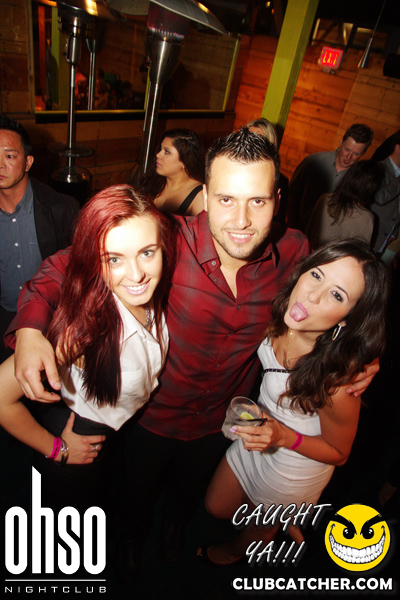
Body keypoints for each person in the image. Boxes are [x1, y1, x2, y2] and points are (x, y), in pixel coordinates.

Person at [4, 129, 377, 580]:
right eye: (226, 199)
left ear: (277, 200)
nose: (241, 220)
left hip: (219, 419)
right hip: (153, 416)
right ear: (205, 195)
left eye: (257, 201)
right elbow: (63, 266)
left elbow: (340, 297)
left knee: (188, 493)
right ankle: (130, 539)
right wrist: (30, 329)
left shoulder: (295, 251)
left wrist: (360, 356)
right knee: (135, 492)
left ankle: (175, 527)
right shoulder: (168, 239)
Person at [200, 239, 389, 565]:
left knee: (257, 529)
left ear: (348, 318)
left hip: (291, 469)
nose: (311, 296)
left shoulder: (338, 381)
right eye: (316, 275)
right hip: (258, 435)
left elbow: (340, 453)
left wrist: (284, 436)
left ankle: (234, 552)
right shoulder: (280, 310)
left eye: (337, 295)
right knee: (216, 506)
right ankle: (286, 518)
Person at [0, 184, 175, 515]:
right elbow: (1, 397)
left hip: (116, 430)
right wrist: (58, 450)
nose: (137, 274)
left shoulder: (151, 293)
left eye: (147, 253)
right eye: (114, 259)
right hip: (79, 433)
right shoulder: (83, 328)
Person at [0, 114, 79, 362]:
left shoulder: (62, 208)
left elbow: (80, 270)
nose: (0, 164)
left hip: (52, 321)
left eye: (9, 156)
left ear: (27, 162)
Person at [288, 123, 374, 232]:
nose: (349, 157)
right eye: (347, 149)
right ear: (341, 141)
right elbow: (292, 194)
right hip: (299, 229)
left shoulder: (359, 180)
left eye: (356, 154)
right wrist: (292, 228)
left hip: (329, 239)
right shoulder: (313, 162)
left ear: (363, 153)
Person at [306, 160, 384, 250]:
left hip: (313, 254)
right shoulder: (366, 218)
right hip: (334, 258)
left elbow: (308, 232)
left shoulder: (325, 199)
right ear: (371, 187)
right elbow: (358, 254)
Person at [139, 128, 205, 216]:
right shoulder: (153, 183)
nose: (158, 154)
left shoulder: (199, 195)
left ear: (185, 160)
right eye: (160, 149)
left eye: (166, 151)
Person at [246, 118, 289, 225]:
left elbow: (278, 222)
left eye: (258, 140)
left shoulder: (280, 182)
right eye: (248, 138)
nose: (251, 145)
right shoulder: (230, 174)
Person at [370, 131, 400, 264]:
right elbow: (380, 197)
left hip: (384, 242)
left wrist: (394, 232)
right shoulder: (379, 168)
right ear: (398, 148)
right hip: (370, 238)